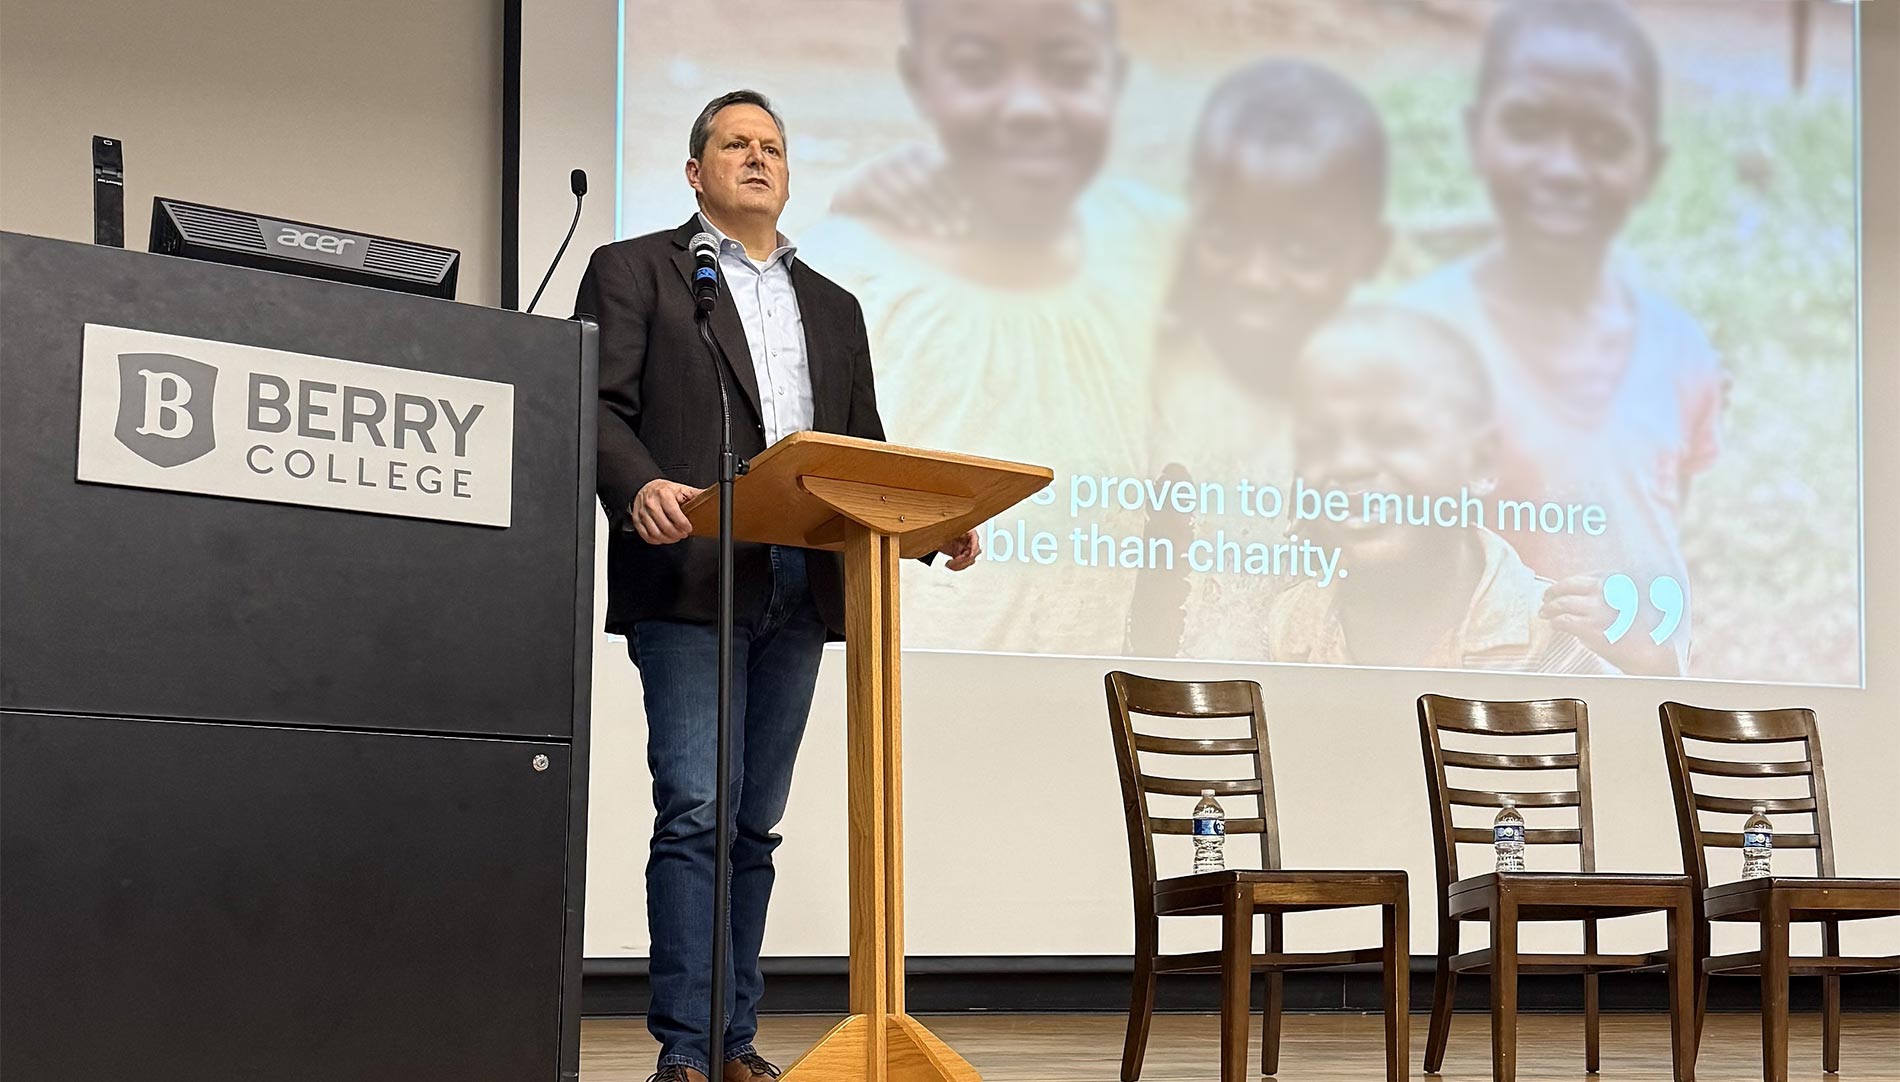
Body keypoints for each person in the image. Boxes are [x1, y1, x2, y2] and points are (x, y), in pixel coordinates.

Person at [574, 90, 980, 1082]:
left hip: (802, 584)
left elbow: (861, 448)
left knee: (753, 822)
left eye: (772, 148)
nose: (756, 159)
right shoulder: (638, 272)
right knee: (699, 808)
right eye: (734, 145)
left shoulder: (833, 306)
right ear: (694, 172)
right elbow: (593, 402)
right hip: (692, 574)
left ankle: (735, 1039)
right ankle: (683, 1047)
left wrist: (933, 527)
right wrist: (641, 488)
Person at [803, 0, 1177, 657]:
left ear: (1113, 77)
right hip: (904, 686)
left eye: (1067, 65)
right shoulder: (845, 275)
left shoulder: (1165, 249)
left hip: (1097, 685)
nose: (1028, 105)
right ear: (919, 77)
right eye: (977, 67)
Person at [1398, 0, 1726, 675]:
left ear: (1651, 168)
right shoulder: (1416, 335)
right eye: (1528, 125)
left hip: (1638, 714)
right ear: (1476, 137)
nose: (1563, 167)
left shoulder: (1681, 347)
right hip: (1480, 716)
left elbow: (1658, 539)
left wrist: (1649, 659)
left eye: (1603, 140)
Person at [1127, 58, 1391, 659]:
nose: (1258, 278)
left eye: (1302, 249)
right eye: (1225, 237)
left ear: (1368, 248)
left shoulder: (1396, 404)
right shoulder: (1157, 382)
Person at [1264, 304, 1610, 675]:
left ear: (1481, 463)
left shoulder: (1562, 638)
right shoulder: (1289, 626)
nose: (1348, 465)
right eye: (1319, 442)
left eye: (1393, 435)